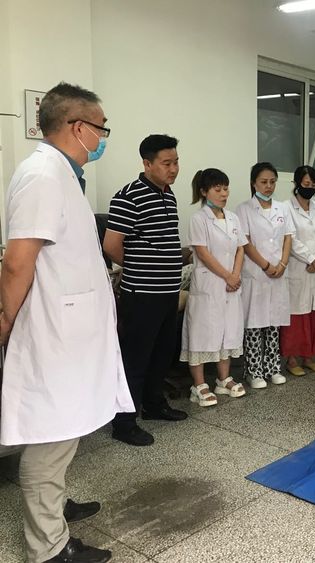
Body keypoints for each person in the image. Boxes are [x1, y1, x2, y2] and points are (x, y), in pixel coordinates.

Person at [1, 82, 133, 563]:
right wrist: (5, 321)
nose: (103, 138)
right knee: (50, 434)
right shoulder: (42, 175)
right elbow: (17, 261)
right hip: (53, 332)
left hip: (71, 332)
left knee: (67, 424)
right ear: (78, 127)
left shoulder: (63, 174)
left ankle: (55, 507)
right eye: (101, 128)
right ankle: (48, 548)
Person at [104, 134, 187, 447]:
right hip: (141, 294)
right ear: (147, 163)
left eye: (176, 162)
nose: (173, 169)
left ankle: (154, 405)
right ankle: (124, 422)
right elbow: (111, 245)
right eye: (166, 163)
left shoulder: (168, 194)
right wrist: (140, 267)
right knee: (135, 359)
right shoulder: (129, 196)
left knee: (162, 353)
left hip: (168, 292)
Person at [179, 168, 246, 406]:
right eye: (217, 189)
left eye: (225, 188)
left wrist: (235, 275)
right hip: (209, 285)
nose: (224, 193)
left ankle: (223, 379)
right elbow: (203, 253)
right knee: (201, 332)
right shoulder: (199, 219)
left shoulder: (233, 218)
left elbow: (240, 248)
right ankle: (198, 385)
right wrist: (228, 276)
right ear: (204, 192)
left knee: (228, 330)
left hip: (231, 285)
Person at [236, 162, 294, 389]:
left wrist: (283, 263)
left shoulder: (283, 208)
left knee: (274, 323)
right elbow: (246, 242)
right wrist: (266, 265)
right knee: (254, 323)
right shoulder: (244, 209)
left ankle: (273, 369)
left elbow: (288, 237)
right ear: (254, 183)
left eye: (272, 182)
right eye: (263, 182)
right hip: (256, 273)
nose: (268, 186)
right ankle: (254, 372)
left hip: (278, 273)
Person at [281, 165, 315, 376]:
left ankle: (309, 357)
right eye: (306, 184)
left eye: (314, 184)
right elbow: (290, 239)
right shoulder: (285, 208)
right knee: (298, 315)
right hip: (299, 268)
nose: (310, 188)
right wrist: (311, 259)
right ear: (297, 183)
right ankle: (292, 359)